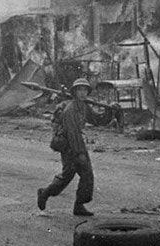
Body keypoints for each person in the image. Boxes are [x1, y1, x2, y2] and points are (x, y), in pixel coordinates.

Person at [37, 78, 114, 216]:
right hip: (69, 145)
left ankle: (78, 205)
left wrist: (110, 111)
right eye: (80, 90)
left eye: (85, 90)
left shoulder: (83, 106)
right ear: (74, 92)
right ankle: (46, 193)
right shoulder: (70, 109)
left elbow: (97, 120)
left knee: (83, 175)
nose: (83, 93)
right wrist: (79, 153)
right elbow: (72, 133)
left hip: (77, 144)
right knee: (71, 175)